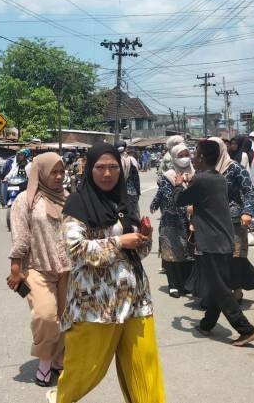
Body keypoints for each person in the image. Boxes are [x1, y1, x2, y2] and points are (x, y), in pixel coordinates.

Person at [47, 143, 164, 403]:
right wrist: (121, 242)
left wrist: (143, 239)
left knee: (145, 368)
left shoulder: (124, 201)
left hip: (135, 301)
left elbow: (138, 253)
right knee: (84, 371)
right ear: (90, 169)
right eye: (100, 167)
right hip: (96, 305)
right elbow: (75, 250)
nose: (107, 174)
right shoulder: (77, 204)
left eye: (113, 167)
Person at [173, 140, 254, 347]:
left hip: (211, 240)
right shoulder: (218, 178)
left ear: (202, 157)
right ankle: (206, 324)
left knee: (219, 288)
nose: (192, 156)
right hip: (223, 238)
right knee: (216, 284)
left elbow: (179, 200)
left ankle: (246, 329)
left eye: (195, 153)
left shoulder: (202, 180)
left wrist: (178, 184)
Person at [7, 153, 70, 387]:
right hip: (37, 267)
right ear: (41, 171)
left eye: (61, 171)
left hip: (67, 268)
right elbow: (21, 236)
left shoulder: (67, 197)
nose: (58, 176)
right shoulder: (25, 200)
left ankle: (58, 359)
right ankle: (44, 362)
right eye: (53, 171)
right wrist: (15, 268)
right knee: (45, 316)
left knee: (65, 317)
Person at [206, 137, 254, 300]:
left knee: (235, 257)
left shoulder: (235, 168)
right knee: (214, 258)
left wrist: (247, 212)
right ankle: (216, 292)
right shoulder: (204, 169)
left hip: (233, 220)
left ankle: (236, 289)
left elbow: (249, 191)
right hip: (210, 221)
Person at [150, 143, 195, 298]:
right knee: (171, 253)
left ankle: (186, 284)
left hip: (191, 222)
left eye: (186, 155)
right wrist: (156, 202)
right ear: (174, 158)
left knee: (188, 253)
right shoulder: (169, 175)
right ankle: (174, 286)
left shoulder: (195, 173)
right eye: (180, 156)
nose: (184, 159)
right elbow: (167, 197)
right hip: (171, 221)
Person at [117, 141, 141, 220]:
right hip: (131, 192)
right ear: (125, 149)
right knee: (134, 214)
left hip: (119, 192)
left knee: (122, 215)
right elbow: (136, 178)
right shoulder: (131, 160)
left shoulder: (115, 161)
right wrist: (138, 192)